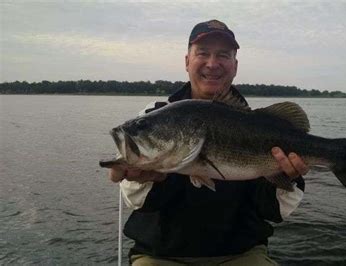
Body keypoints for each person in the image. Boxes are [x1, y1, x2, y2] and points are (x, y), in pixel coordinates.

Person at [109, 19, 309, 266]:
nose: (212, 64)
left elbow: (275, 212)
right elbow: (138, 202)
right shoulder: (153, 116)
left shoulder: (260, 124)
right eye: (202, 53)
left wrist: (286, 177)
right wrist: (142, 178)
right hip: (161, 255)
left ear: (235, 66)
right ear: (187, 61)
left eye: (223, 55)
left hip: (242, 254)